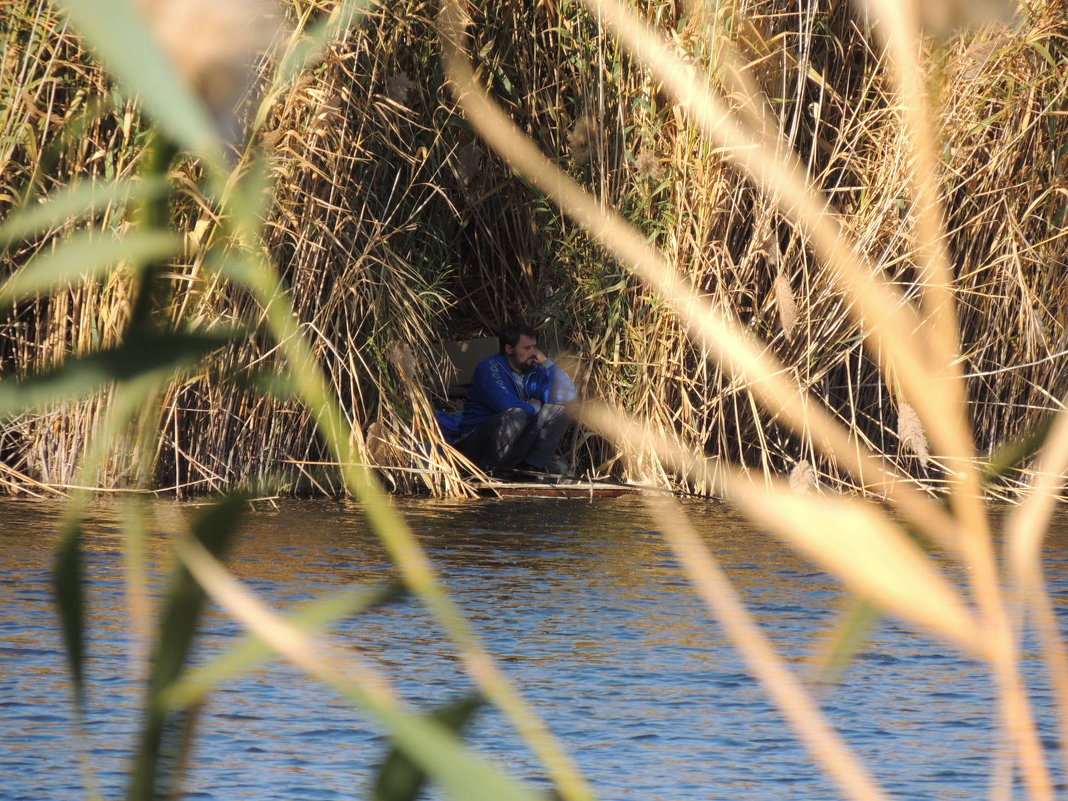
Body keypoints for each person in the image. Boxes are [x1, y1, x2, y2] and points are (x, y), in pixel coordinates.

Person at [456, 323, 576, 478]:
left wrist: (547, 363)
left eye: (535, 347)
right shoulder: (489, 368)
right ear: (509, 349)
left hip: (512, 445)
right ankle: (489, 472)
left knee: (560, 411)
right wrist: (534, 408)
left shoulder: (534, 370)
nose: (534, 353)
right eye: (527, 348)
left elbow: (569, 396)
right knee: (516, 415)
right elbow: (505, 405)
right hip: (476, 447)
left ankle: (530, 470)